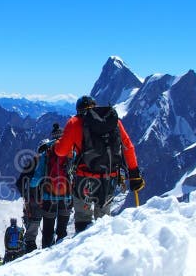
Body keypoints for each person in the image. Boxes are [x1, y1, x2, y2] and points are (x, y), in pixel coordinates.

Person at [53, 95, 144, 232]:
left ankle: (81, 246)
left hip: (85, 178)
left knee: (83, 217)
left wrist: (58, 142)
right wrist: (134, 173)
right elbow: (128, 147)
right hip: (109, 177)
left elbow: (61, 152)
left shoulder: (74, 122)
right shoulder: (113, 121)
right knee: (103, 218)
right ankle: (101, 247)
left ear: (78, 109)